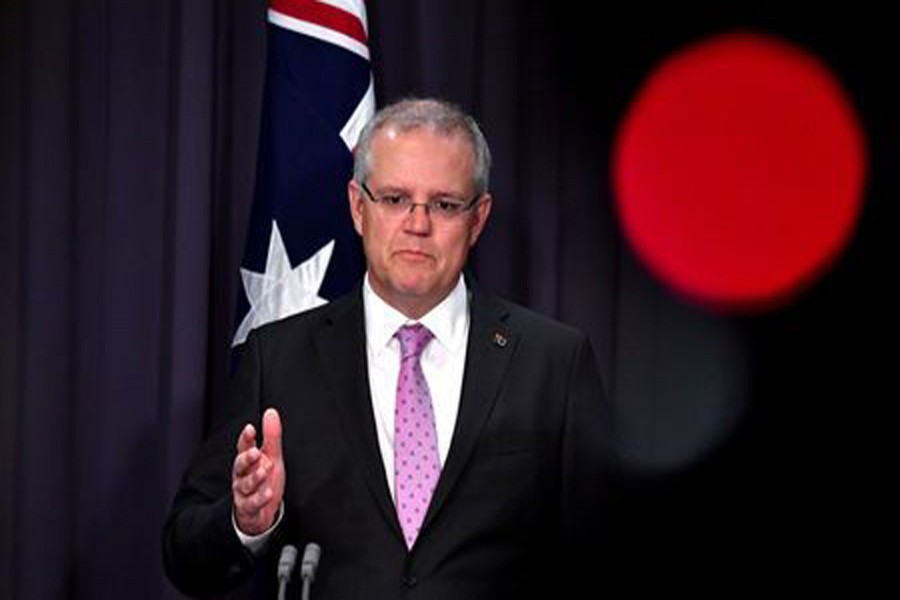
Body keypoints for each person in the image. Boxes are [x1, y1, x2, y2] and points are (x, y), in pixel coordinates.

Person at [163, 98, 613, 599]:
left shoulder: (552, 362)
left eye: (444, 204)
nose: (417, 225)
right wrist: (246, 522)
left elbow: (605, 556)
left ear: (478, 219)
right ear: (358, 207)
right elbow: (184, 554)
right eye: (396, 199)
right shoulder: (280, 359)